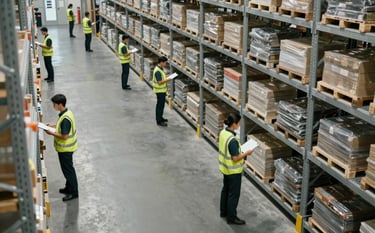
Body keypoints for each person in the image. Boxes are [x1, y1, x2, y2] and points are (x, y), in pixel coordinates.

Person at [218, 113, 253, 225]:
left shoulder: (224, 132)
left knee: (225, 190)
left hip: (225, 168)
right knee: (233, 195)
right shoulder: (232, 140)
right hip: (233, 171)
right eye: (239, 123)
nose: (239, 125)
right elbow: (235, 158)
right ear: (234, 124)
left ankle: (223, 212)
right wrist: (246, 153)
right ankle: (231, 218)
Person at [45, 94, 79, 202]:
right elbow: (61, 127)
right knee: (68, 170)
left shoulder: (65, 119)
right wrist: (53, 126)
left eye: (54, 104)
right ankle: (68, 188)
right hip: (66, 149)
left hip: (65, 149)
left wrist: (51, 133)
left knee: (68, 171)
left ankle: (74, 192)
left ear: (60, 104)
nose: (53, 106)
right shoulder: (66, 113)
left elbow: (64, 136)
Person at [153, 56, 172, 127]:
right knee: (160, 106)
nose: (165, 64)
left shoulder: (160, 69)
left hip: (162, 90)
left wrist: (166, 77)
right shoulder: (158, 71)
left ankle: (161, 118)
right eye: (165, 63)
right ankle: (159, 121)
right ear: (161, 62)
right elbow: (159, 82)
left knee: (161, 105)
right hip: (159, 91)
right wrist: (168, 79)